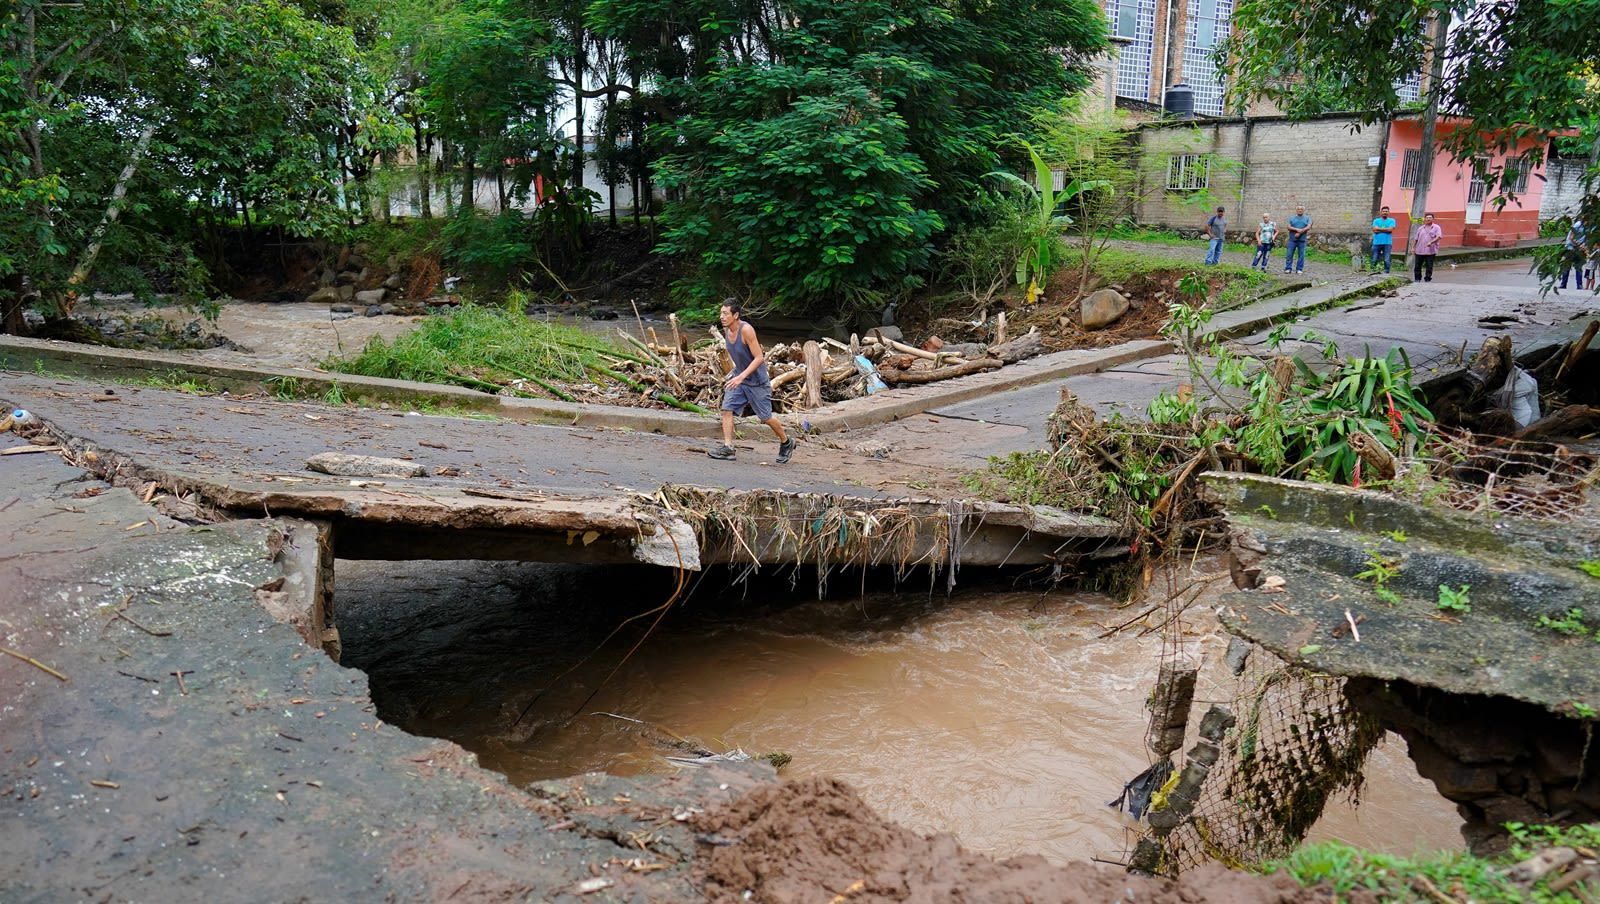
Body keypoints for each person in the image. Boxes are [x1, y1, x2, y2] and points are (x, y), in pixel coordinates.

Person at [707, 300, 796, 463]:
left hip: (757, 382)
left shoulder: (746, 330)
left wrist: (741, 376)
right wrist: (735, 373)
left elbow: (759, 358)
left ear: (736, 315)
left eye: (725, 313)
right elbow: (740, 355)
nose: (722, 317)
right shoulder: (727, 330)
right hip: (740, 379)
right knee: (727, 409)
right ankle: (728, 448)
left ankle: (786, 441)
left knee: (766, 417)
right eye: (721, 313)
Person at [1411, 212, 1443, 282]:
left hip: (1430, 251)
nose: (1428, 219)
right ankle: (1417, 279)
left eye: (1430, 218)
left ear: (1433, 219)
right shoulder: (1420, 228)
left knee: (1429, 266)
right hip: (1419, 250)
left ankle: (1427, 279)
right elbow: (1416, 239)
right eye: (1427, 218)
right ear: (1425, 219)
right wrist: (1413, 248)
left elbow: (1439, 237)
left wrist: (1431, 242)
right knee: (1417, 266)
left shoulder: (1436, 227)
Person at [1559, 219, 1588, 290]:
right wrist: (1579, 245)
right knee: (1567, 266)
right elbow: (1571, 238)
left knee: (1579, 267)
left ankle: (1579, 285)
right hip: (1570, 247)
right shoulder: (1577, 225)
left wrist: (1585, 247)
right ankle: (1563, 284)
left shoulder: (1589, 227)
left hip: (1580, 249)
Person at [1283, 205, 1311, 273]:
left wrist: (1300, 232)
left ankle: (1299, 269)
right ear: (1296, 210)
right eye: (1298, 209)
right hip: (1292, 240)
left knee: (1301, 255)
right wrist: (1296, 229)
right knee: (1289, 254)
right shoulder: (1292, 218)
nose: (1300, 210)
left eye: (1301, 209)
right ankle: (1288, 268)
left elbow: (1308, 226)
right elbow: (1288, 227)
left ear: (1303, 210)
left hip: (1302, 240)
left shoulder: (1307, 218)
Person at [1370, 206, 1396, 273]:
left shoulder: (1392, 220)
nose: (1385, 212)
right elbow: (1374, 230)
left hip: (1387, 243)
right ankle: (1372, 270)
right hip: (1376, 242)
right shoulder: (1376, 220)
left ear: (1388, 212)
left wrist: (1379, 229)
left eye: (1386, 211)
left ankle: (1386, 272)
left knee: (1386, 259)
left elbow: (1390, 230)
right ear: (1381, 212)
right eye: (1383, 211)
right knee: (1374, 258)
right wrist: (1386, 230)